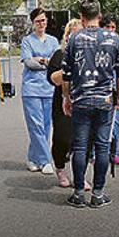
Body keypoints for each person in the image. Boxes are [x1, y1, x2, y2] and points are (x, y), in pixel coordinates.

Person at [61, 0, 119, 208]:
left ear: (81, 16)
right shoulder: (114, 38)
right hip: (104, 101)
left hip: (81, 99)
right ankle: (98, 194)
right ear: (99, 15)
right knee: (102, 147)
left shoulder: (74, 38)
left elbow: (66, 74)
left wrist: (67, 97)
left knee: (80, 147)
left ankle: (79, 193)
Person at [20, 7, 60, 174]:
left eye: (43, 20)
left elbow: (56, 63)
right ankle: (45, 160)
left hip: (49, 88)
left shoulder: (53, 41)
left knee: (45, 126)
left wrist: (41, 60)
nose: (41, 24)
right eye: (37, 21)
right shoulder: (27, 41)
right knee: (35, 125)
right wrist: (46, 61)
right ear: (33, 23)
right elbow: (29, 63)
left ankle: (33, 158)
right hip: (31, 89)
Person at [47, 19, 83, 188]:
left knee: (82, 140)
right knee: (62, 138)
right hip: (62, 102)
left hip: (84, 102)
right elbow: (53, 79)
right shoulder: (59, 55)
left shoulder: (90, 54)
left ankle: (79, 176)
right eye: (71, 33)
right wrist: (69, 66)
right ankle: (60, 168)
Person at [101, 13, 119, 166]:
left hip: (117, 88)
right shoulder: (97, 42)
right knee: (101, 122)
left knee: (116, 122)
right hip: (102, 88)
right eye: (108, 27)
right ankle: (99, 152)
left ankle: (114, 151)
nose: (111, 30)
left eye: (113, 27)